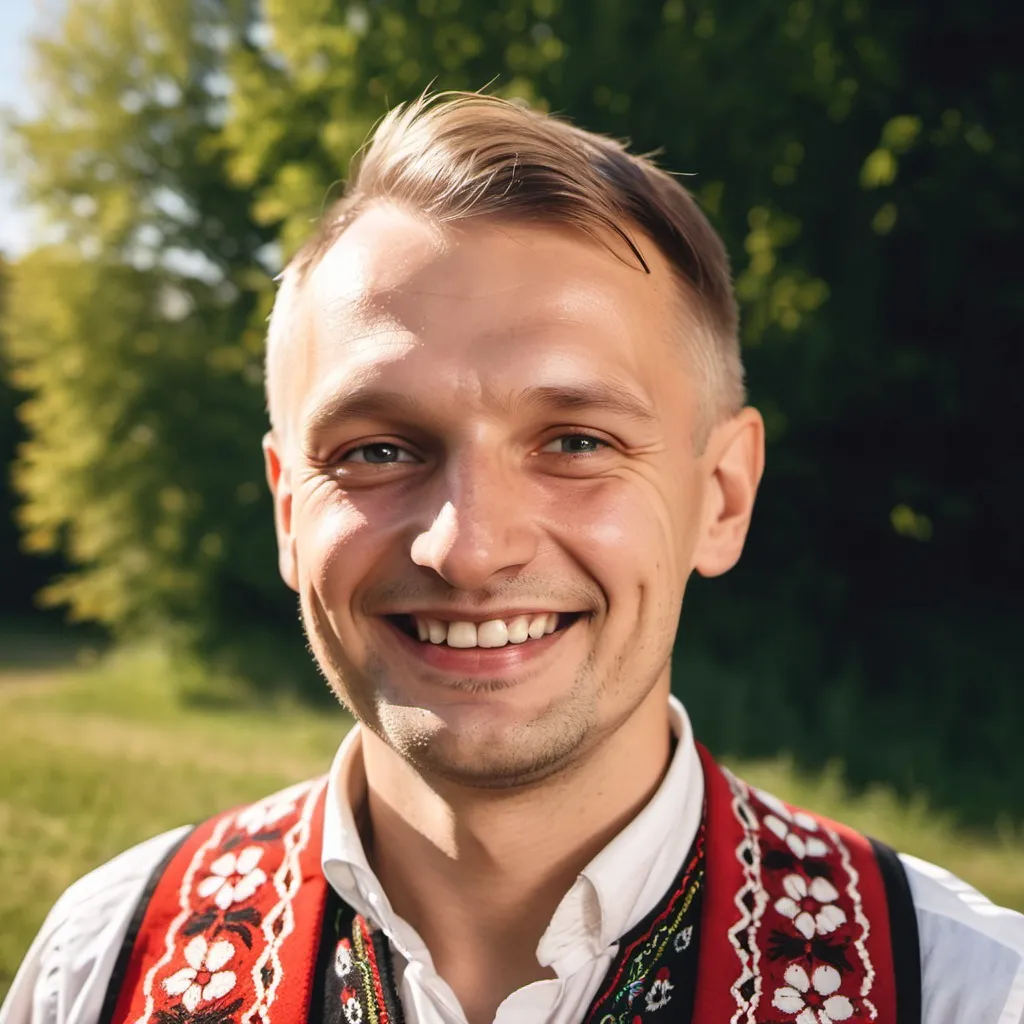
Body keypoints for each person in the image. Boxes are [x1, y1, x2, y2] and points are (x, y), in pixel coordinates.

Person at [2, 91, 1022, 1024]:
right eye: (378, 450)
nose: (470, 547)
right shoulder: (99, 971)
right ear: (286, 509)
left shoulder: (964, 988)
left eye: (576, 441)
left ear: (721, 495)